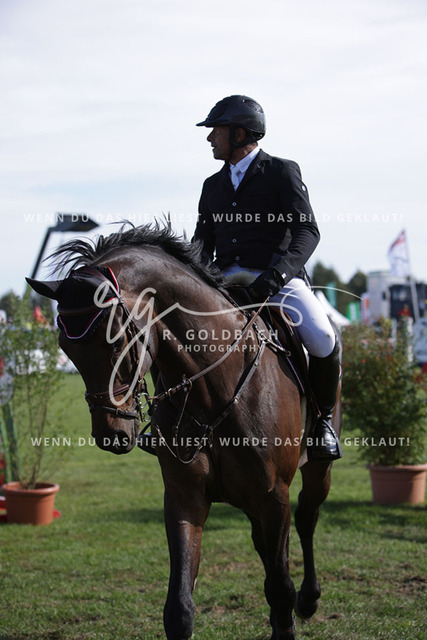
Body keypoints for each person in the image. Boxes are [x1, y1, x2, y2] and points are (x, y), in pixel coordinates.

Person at [194, 94, 343, 461]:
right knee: (176, 328)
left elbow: (307, 231)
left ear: (239, 133)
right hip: (225, 283)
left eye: (216, 131)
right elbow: (201, 244)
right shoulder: (212, 186)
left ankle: (322, 422)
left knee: (323, 336)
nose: (210, 138)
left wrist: (276, 275)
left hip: (278, 281)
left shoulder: (281, 172)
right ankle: (172, 419)